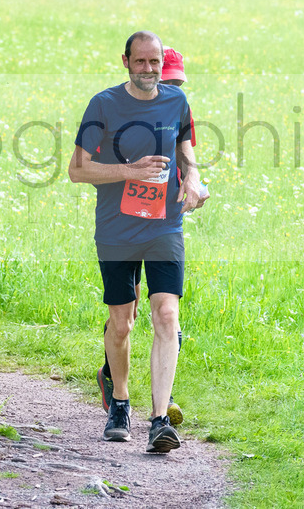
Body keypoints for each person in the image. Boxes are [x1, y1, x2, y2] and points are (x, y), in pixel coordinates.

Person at [68, 31, 208, 454]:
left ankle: (160, 420)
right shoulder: (103, 104)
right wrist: (129, 171)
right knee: (121, 321)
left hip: (164, 227)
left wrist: (197, 181)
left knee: (167, 316)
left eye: (155, 62)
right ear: (126, 61)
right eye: (141, 62)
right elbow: (77, 170)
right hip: (116, 230)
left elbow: (186, 153)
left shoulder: (177, 102)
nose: (149, 70)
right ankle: (120, 404)